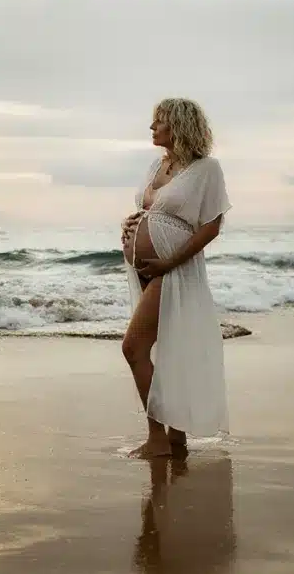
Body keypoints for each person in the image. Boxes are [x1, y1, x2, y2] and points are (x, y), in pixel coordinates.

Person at [120, 98, 232, 458]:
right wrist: (131, 223)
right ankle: (175, 439)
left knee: (133, 348)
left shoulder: (206, 169)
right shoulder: (157, 164)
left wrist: (169, 262)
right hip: (146, 269)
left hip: (175, 269)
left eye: (159, 122)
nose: (152, 128)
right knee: (162, 348)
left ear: (179, 126)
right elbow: (152, 210)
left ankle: (158, 439)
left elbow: (212, 226)